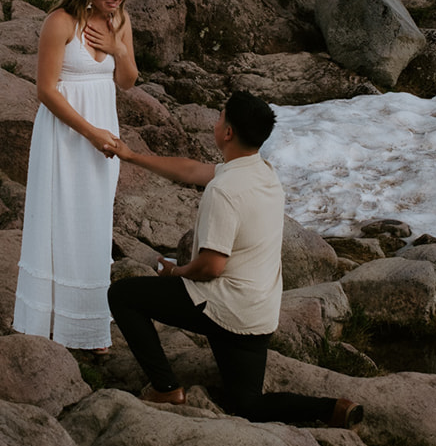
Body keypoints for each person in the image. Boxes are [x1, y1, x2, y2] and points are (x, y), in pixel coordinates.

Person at [107, 90, 363, 427]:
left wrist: (175, 272)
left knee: (123, 296)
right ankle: (332, 409)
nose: (215, 121)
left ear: (227, 132)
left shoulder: (224, 191)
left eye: (219, 117)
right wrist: (131, 156)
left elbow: (212, 267)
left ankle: (166, 388)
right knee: (247, 405)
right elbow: (190, 170)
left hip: (222, 307)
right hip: (255, 317)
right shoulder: (263, 172)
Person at [13, 0, 138, 351]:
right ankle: (50, 322)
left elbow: (128, 81)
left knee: (95, 223)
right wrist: (90, 133)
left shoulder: (120, 21)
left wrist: (119, 49)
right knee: (59, 219)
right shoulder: (61, 22)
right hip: (67, 135)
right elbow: (46, 90)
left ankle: (87, 327)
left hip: (104, 132)